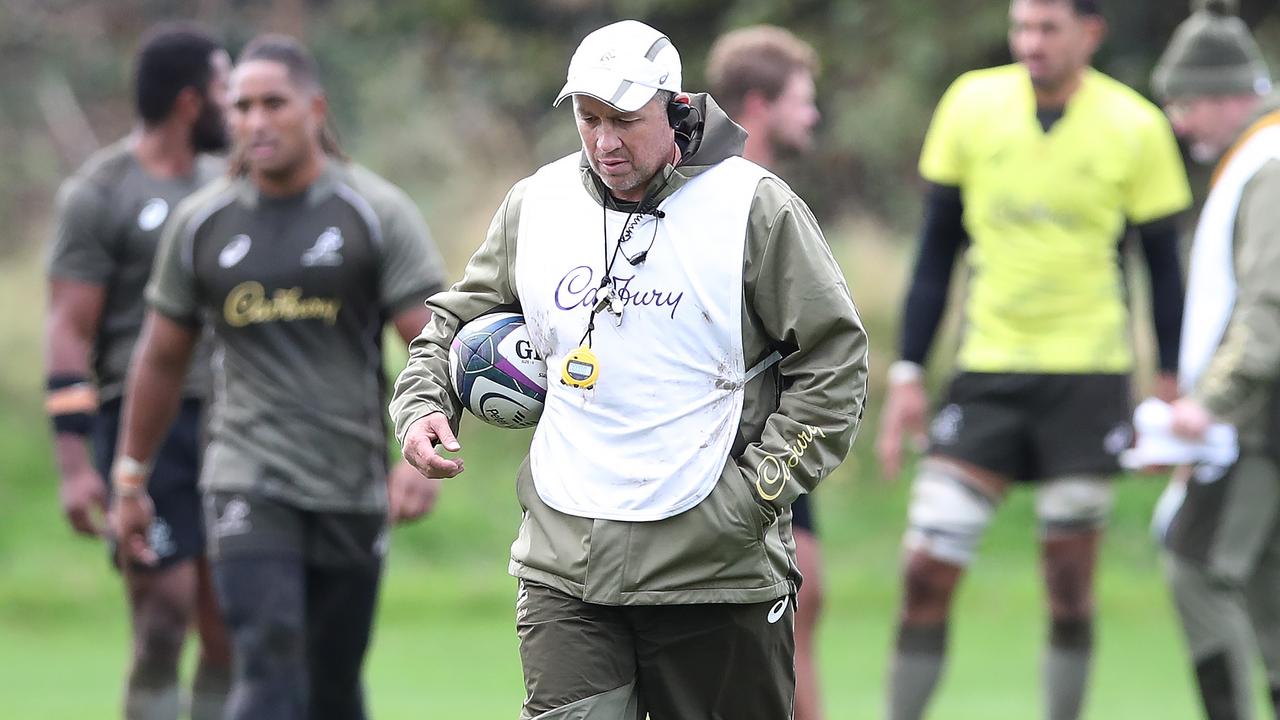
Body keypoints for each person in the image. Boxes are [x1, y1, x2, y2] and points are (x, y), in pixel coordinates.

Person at [391, 19, 869, 719]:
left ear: (675, 107)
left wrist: (753, 496)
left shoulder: (756, 207)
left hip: (715, 573)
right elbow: (454, 321)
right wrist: (425, 402)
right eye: (588, 120)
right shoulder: (536, 204)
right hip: (565, 567)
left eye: (624, 120)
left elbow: (835, 362)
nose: (604, 142)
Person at [109, 34, 446, 720]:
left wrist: (424, 451)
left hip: (349, 483)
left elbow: (435, 343)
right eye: (241, 106)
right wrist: (130, 477)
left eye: (274, 104)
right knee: (265, 656)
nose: (256, 121)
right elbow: (161, 357)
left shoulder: (374, 214)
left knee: (331, 685)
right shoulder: (202, 224)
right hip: (244, 475)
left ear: (314, 108)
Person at [875, 1, 1193, 718]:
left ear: (1091, 32)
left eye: (1048, 28)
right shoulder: (970, 104)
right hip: (986, 372)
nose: (1031, 43)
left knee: (1069, 584)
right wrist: (907, 374)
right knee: (926, 567)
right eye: (1022, 27)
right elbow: (933, 254)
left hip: (1088, 379)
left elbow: (1164, 270)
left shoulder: (1137, 125)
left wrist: (1168, 383)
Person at [44, 22, 233, 720]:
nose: (236, 102)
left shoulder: (231, 181)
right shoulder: (101, 191)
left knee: (228, 627)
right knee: (163, 616)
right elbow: (67, 326)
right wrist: (73, 465)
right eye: (223, 88)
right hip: (146, 426)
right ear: (190, 102)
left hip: (234, 421)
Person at [1150, 2, 1280, 717]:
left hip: (1257, 426)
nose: (1178, 120)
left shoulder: (1268, 167)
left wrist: (1211, 401)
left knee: (1194, 563)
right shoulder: (1260, 159)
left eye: (1187, 102)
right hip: (1263, 421)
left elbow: (1269, 307)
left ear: (1234, 93)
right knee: (1268, 596)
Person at [706, 25, 828, 720]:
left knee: (802, 603)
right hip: (731, 445)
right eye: (802, 101)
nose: (813, 116)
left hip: (781, 436)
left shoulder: (772, 191)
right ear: (758, 104)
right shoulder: (721, 196)